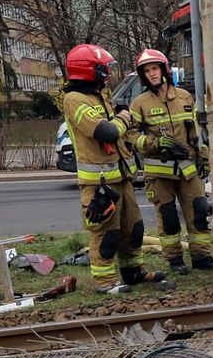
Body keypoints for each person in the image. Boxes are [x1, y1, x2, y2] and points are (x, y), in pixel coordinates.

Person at [60, 43, 173, 294]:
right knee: (106, 233)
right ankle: (105, 282)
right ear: (90, 70)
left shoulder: (101, 94)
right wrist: (123, 117)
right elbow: (107, 132)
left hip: (122, 178)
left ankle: (134, 272)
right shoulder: (74, 99)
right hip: (99, 184)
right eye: (104, 68)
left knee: (133, 229)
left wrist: (118, 115)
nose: (108, 73)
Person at [127, 48, 213, 275]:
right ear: (143, 75)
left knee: (198, 212)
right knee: (168, 219)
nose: (152, 74)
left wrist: (204, 160)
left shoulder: (185, 97)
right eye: (147, 71)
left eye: (155, 69)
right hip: (159, 173)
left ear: (163, 70)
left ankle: (201, 256)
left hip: (188, 169)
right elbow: (131, 136)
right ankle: (175, 259)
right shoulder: (139, 103)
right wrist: (156, 143)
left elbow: (196, 134)